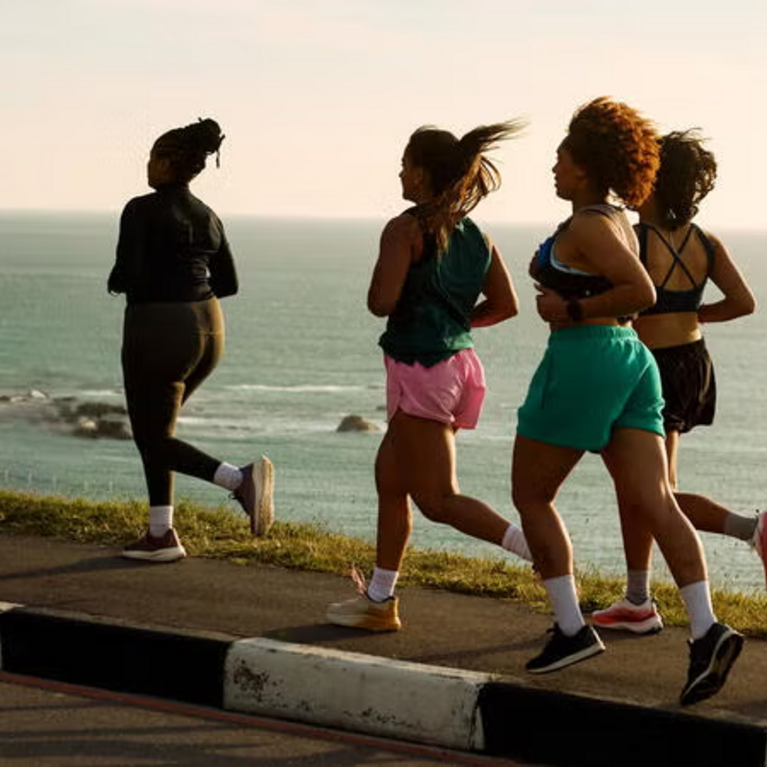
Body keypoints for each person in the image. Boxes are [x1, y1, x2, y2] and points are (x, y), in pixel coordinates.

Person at [511, 97, 743, 706]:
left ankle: (569, 628)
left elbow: (638, 291)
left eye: (560, 157)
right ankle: (705, 628)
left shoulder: (589, 222)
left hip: (585, 355)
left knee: (531, 494)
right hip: (632, 362)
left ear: (584, 166)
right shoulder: (615, 218)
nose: (553, 166)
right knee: (656, 499)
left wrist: (570, 309)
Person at [326, 120, 532, 632]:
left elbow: (381, 303)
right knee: (390, 479)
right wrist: (459, 319)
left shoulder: (405, 229)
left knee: (438, 499)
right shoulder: (476, 235)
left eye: (404, 163)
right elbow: (506, 305)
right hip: (450, 364)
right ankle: (379, 598)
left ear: (421, 176)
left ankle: (538, 548)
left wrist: (389, 280)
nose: (399, 171)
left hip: (420, 366)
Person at [591, 130, 758, 635]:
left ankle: (751, 530)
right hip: (692, 361)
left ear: (654, 181)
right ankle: (637, 597)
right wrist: (693, 313)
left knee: (648, 489)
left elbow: (617, 303)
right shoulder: (706, 241)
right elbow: (743, 302)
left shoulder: (636, 239)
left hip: (647, 367)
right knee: (642, 487)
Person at [108, 118, 274, 563]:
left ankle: (240, 481)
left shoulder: (140, 209)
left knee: (152, 437)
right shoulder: (208, 215)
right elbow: (230, 282)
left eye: (151, 158)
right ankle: (161, 534)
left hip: (158, 329)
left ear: (165, 162)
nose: (147, 165)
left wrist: (120, 276)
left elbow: (129, 275)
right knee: (157, 432)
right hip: (209, 329)